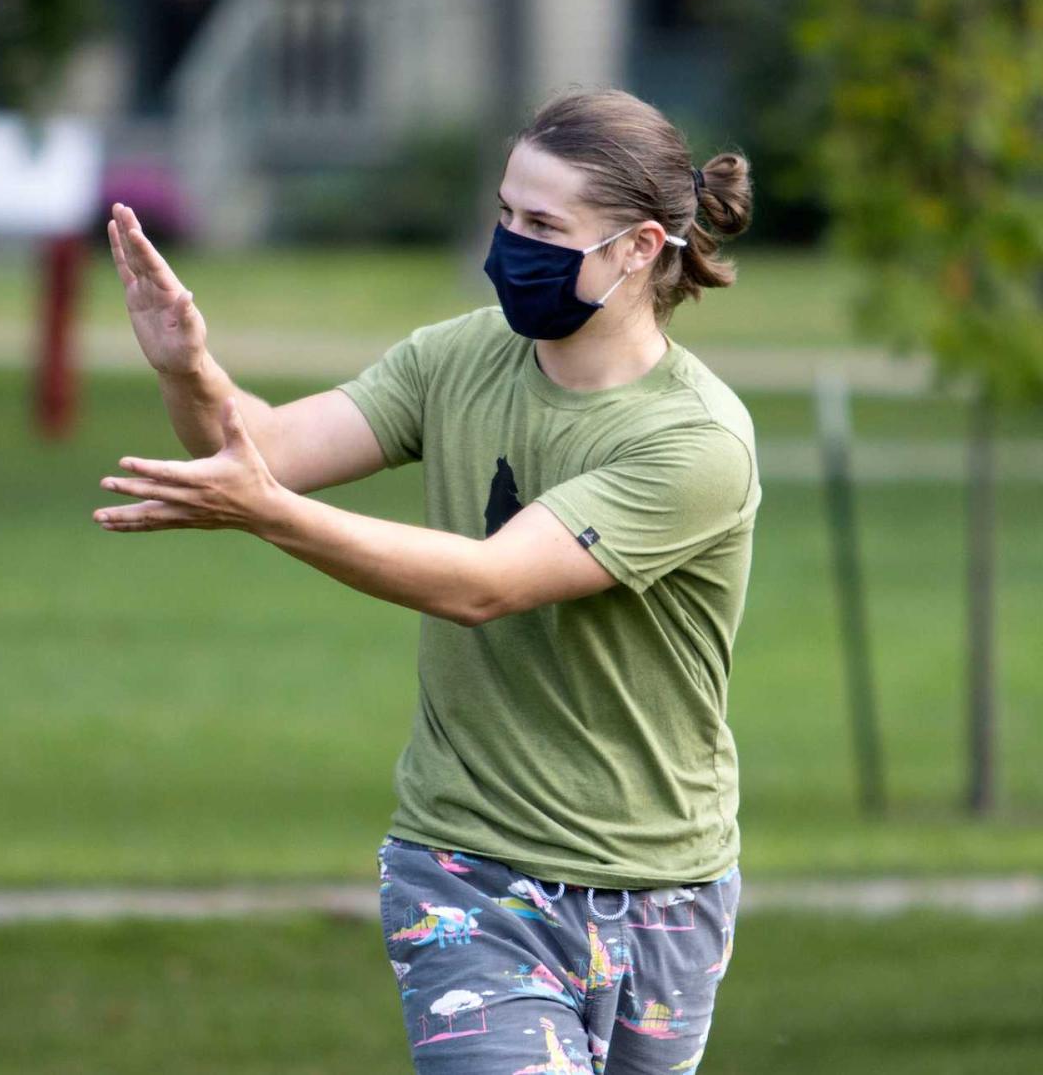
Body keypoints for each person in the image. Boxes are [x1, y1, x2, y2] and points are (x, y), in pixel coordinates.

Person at [94, 88, 757, 1075]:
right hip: (467, 865)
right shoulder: (459, 358)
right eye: (504, 212)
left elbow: (486, 582)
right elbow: (265, 451)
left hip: (665, 885)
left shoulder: (691, 441)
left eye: (542, 225)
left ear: (636, 246)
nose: (509, 243)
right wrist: (187, 369)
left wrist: (263, 514)